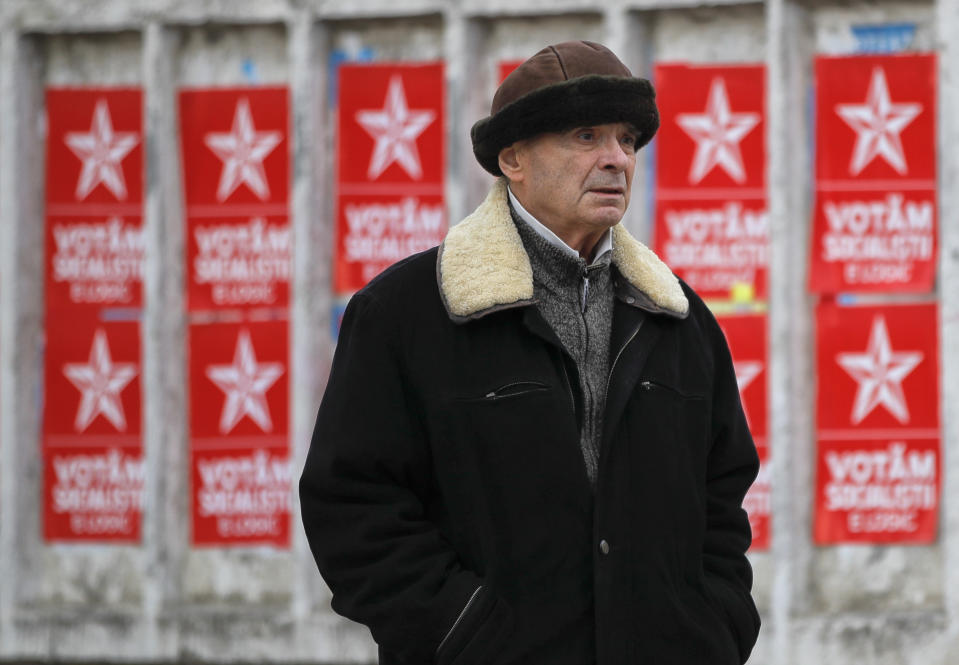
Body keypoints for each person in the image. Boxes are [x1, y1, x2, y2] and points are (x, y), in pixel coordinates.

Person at [300, 40, 760, 665]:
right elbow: (352, 507)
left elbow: (721, 498)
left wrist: (714, 626)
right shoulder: (408, 312)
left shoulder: (679, 318)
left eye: (627, 139)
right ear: (511, 157)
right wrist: (462, 632)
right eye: (586, 135)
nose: (615, 160)